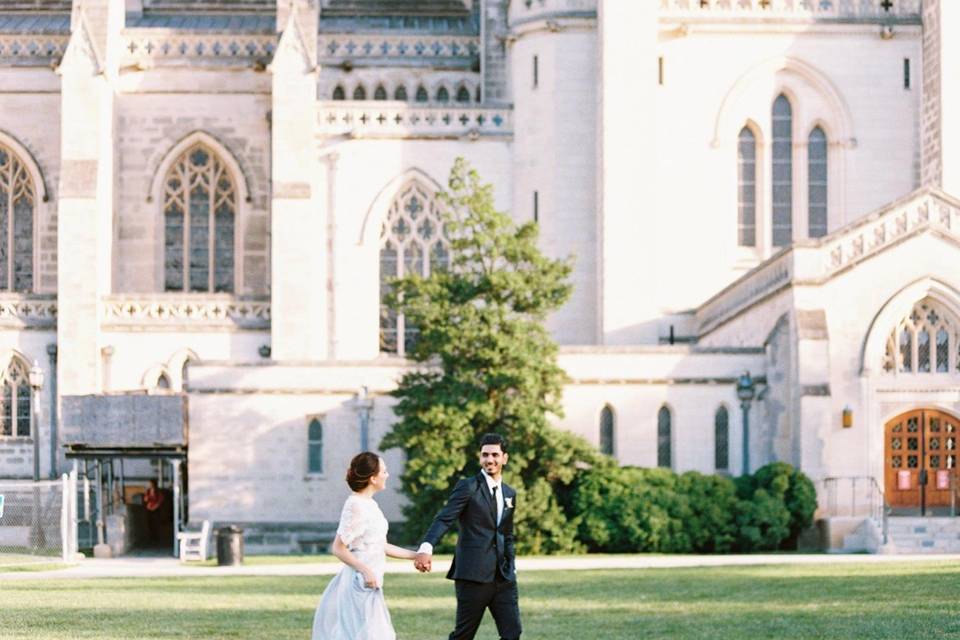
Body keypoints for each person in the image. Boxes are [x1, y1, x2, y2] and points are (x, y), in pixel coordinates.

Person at [415, 433, 521, 640]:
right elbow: (444, 519)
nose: (489, 460)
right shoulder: (468, 487)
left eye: (495, 455)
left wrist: (512, 566)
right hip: (472, 575)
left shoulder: (510, 493)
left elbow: (507, 533)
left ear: (505, 458)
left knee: (513, 634)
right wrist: (426, 547)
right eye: (485, 455)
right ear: (480, 457)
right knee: (463, 636)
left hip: (504, 577)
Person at [312, 452, 416, 640]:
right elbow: (338, 547)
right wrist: (365, 571)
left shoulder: (370, 504)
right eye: (384, 471)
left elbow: (381, 546)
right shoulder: (355, 505)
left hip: (371, 584)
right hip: (359, 583)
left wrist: (415, 556)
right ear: (373, 478)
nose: (387, 474)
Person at [143, 479, 164, 546]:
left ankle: (157, 538)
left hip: (156, 509)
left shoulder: (158, 491)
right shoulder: (148, 491)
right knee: (150, 523)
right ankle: (151, 538)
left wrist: (155, 506)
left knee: (156, 523)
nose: (149, 485)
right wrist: (146, 492)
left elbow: (160, 500)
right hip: (149, 509)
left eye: (150, 483)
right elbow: (145, 500)